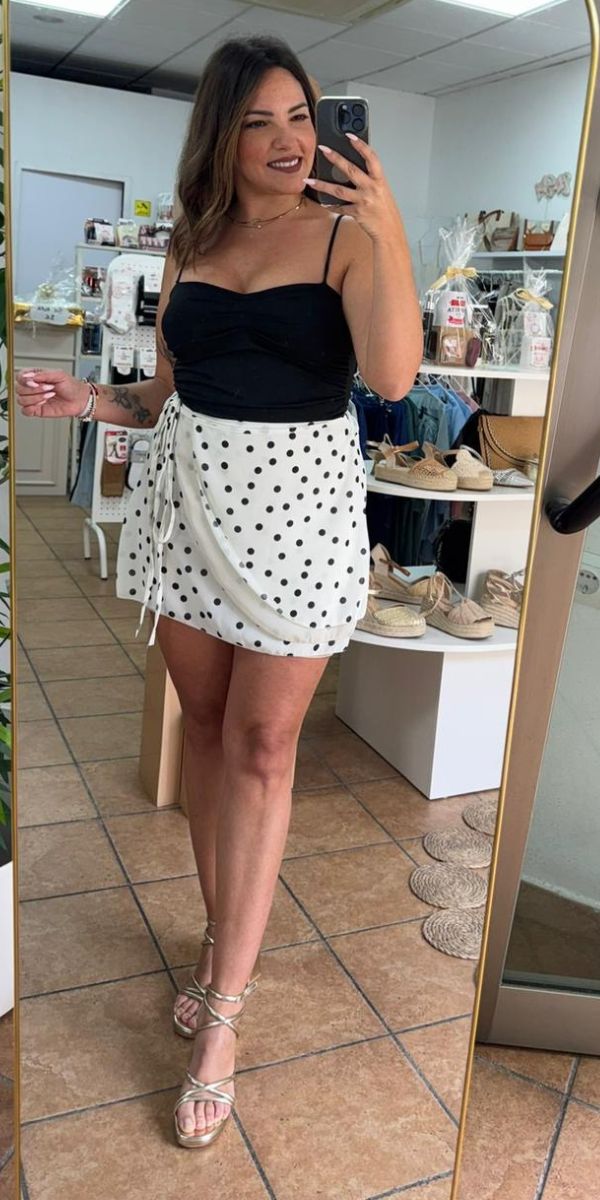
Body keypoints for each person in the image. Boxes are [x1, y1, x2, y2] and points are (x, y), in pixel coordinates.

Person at [16, 35, 422, 1150]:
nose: (288, 140)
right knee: (202, 728)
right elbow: (169, 389)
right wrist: (93, 404)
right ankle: (218, 937)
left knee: (262, 748)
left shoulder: (346, 237)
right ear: (222, 137)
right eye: (259, 121)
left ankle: (226, 1012)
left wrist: (388, 227)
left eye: (301, 117)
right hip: (188, 509)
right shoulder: (194, 240)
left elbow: (394, 377)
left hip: (299, 519)